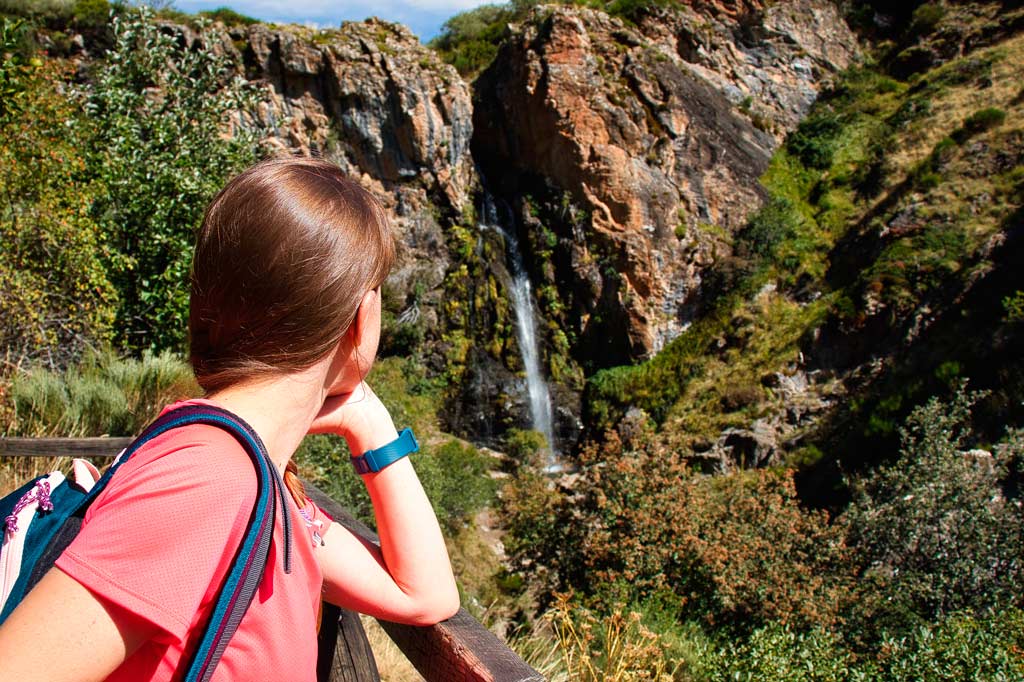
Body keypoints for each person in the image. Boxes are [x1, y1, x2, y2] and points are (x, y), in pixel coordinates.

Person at [0, 157, 459, 681]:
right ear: (359, 315)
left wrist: (370, 423)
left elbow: (424, 594)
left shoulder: (256, 483)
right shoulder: (207, 482)